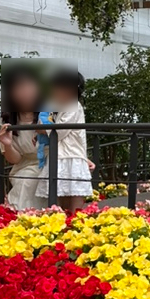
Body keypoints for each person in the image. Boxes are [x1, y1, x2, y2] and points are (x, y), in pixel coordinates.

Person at [36, 69, 94, 212]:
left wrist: (41, 129)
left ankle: (74, 226)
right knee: (60, 200)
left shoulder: (73, 105)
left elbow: (59, 131)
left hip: (71, 155)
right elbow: (41, 123)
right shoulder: (54, 105)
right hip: (59, 155)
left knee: (74, 198)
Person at [0, 65, 42, 211]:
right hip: (26, 165)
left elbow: (65, 138)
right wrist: (8, 144)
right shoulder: (7, 120)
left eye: (29, 88)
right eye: (19, 89)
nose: (25, 94)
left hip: (52, 162)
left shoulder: (49, 114)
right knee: (26, 181)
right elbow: (15, 159)